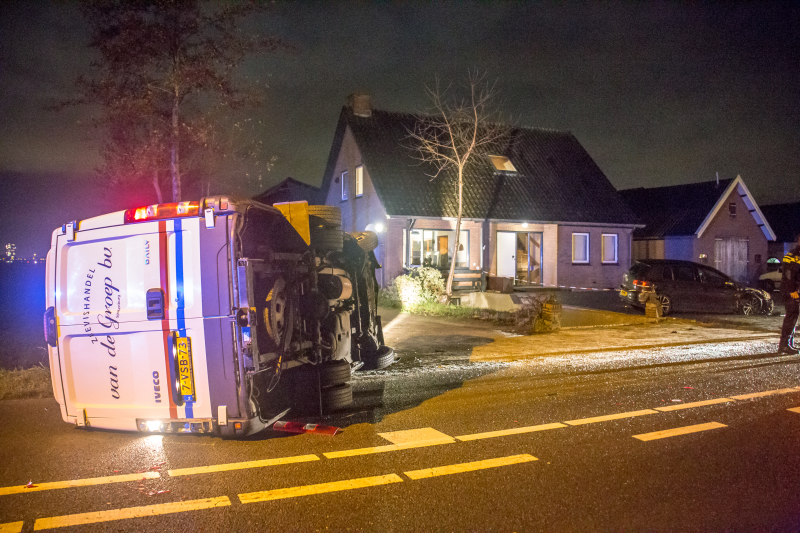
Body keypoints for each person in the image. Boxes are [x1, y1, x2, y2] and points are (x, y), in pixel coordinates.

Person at [778, 234, 800, 354]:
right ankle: (784, 345)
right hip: (790, 291)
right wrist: (792, 291)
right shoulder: (791, 256)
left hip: (796, 290)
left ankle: (788, 343)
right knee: (791, 315)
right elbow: (788, 275)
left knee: (794, 315)